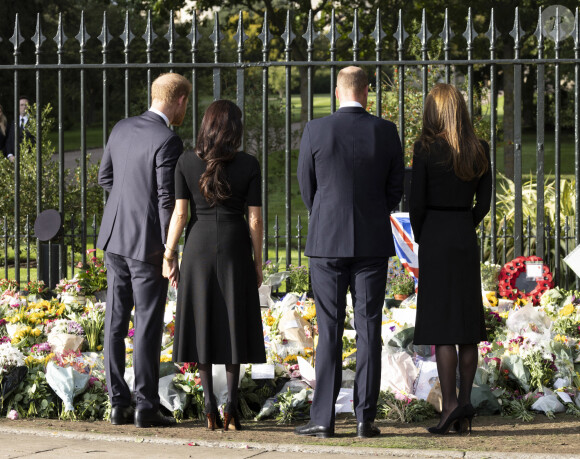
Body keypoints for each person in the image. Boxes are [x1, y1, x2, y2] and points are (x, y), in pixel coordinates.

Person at [295, 66, 404, 439]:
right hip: (371, 241)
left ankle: (323, 418)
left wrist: (325, 214)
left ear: (338, 92)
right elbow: (395, 188)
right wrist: (374, 213)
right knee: (368, 328)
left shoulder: (316, 129)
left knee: (328, 328)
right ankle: (364, 418)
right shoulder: (386, 131)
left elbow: (306, 187)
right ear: (367, 92)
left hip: (326, 241)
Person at [163, 100, 266, 431]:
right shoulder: (249, 163)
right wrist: (258, 262)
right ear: (234, 128)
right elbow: (255, 219)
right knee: (234, 322)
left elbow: (180, 214)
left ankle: (209, 408)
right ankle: (231, 409)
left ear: (205, 125)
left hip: (198, 246)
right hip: (235, 246)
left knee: (202, 322)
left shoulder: (185, 161)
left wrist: (169, 254)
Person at [97, 73, 191, 428]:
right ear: (179, 100)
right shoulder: (168, 139)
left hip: (113, 239)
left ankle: (117, 403)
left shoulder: (121, 127)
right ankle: (145, 406)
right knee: (147, 325)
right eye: (186, 103)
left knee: (115, 324)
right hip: (147, 245)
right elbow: (167, 199)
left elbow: (106, 177)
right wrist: (170, 251)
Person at [409, 83, 491, 435]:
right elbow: (483, 204)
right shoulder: (479, 149)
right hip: (462, 233)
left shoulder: (424, 149)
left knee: (443, 328)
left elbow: (415, 204)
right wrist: (463, 224)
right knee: (467, 325)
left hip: (436, 236)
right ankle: (466, 405)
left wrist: (427, 234)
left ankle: (450, 406)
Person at [5, 96, 32, 162]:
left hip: (30, 160)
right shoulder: (13, 122)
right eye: (21, 105)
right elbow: (9, 141)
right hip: (14, 160)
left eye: (26, 105)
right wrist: (10, 155)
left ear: (29, 107)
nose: (24, 107)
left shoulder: (34, 122)